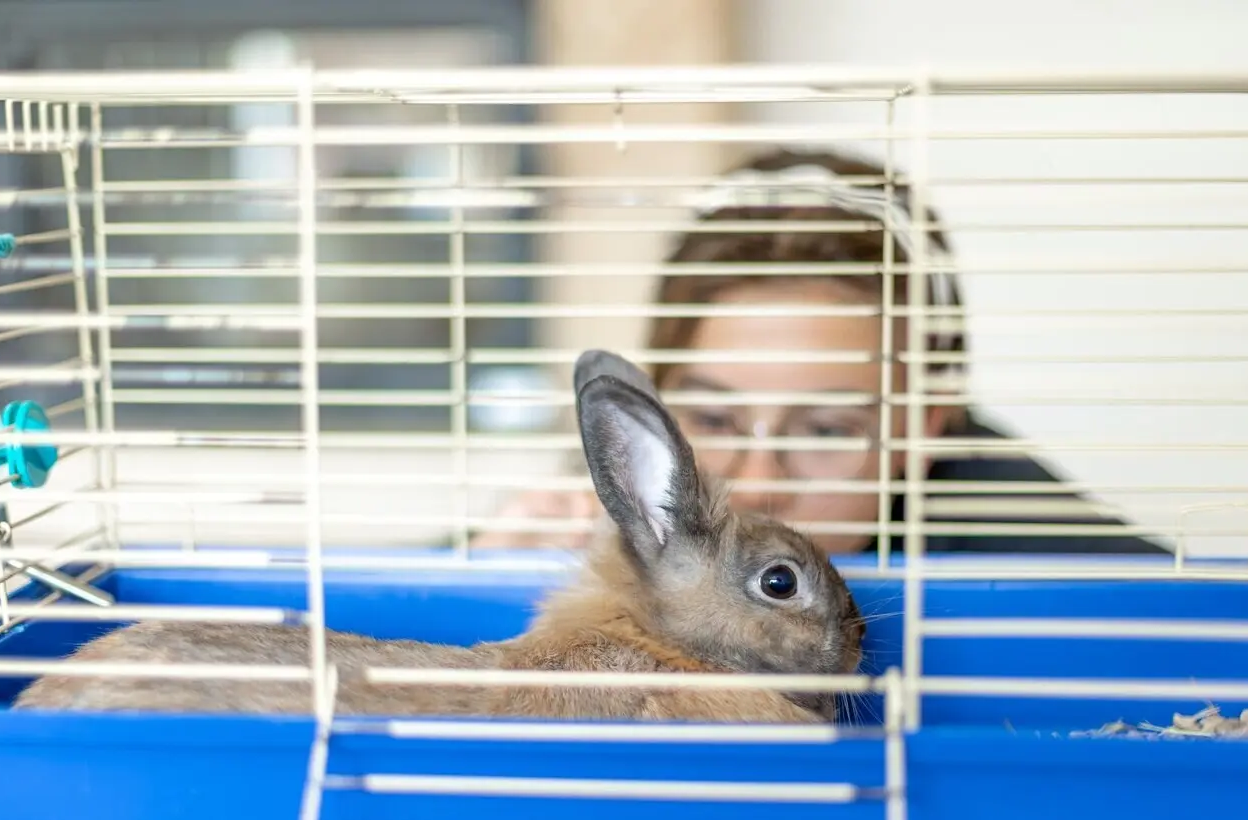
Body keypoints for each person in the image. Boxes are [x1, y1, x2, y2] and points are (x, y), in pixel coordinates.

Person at [474, 147, 1168, 558]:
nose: (757, 485)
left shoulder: (1024, 530)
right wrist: (484, 581)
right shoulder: (617, 482)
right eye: (712, 420)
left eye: (828, 430)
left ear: (925, 428)